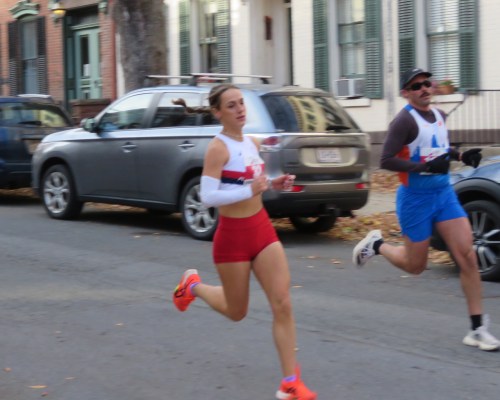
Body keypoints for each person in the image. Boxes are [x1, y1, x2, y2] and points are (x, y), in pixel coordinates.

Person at [172, 83, 317, 400]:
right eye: (232, 105)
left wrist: (274, 183)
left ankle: (290, 383)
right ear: (217, 112)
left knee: (283, 302)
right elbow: (208, 196)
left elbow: (253, 182)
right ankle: (192, 286)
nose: (240, 109)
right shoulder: (218, 148)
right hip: (232, 237)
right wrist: (249, 190)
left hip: (261, 230)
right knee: (237, 311)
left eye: (241, 103)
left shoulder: (251, 143)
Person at [352, 68, 499, 351]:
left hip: (443, 194)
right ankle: (377, 245)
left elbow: (439, 147)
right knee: (415, 266)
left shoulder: (440, 115)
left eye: (426, 83)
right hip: (415, 199)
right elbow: (386, 159)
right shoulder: (403, 121)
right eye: (416, 86)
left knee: (468, 256)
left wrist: (460, 155)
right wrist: (423, 167)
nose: (423, 88)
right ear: (406, 93)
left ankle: (477, 329)